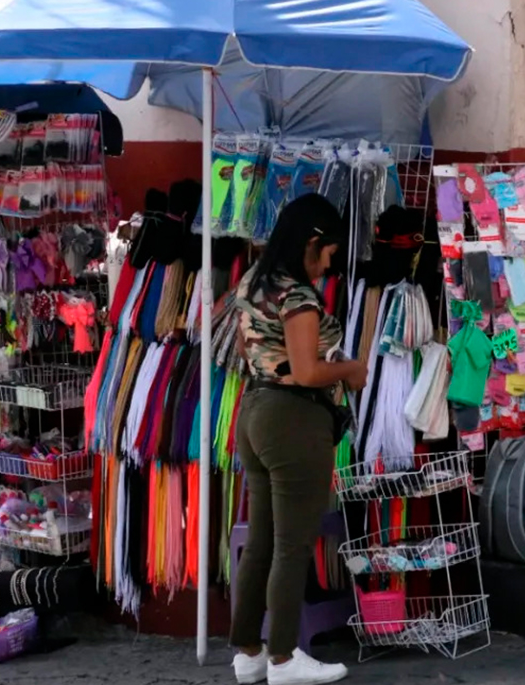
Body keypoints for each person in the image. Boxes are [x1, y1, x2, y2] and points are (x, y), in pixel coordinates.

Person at [229, 194, 366, 685]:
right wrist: (351, 370)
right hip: (293, 422)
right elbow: (308, 372)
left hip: (254, 413)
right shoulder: (299, 295)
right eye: (328, 253)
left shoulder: (253, 282)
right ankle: (284, 658)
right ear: (313, 243)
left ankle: (248, 653)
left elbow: (252, 352)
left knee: (262, 542)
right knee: (291, 545)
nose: (330, 264)